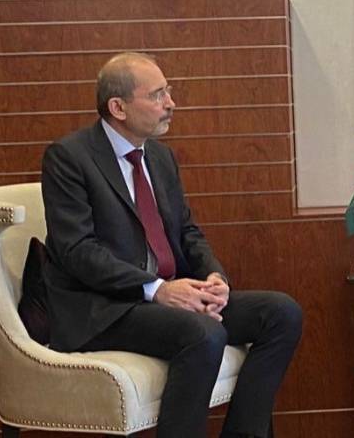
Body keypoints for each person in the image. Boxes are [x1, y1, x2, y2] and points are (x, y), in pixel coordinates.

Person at [41, 52, 302, 438]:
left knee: (281, 313)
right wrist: (158, 289)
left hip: (167, 296)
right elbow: (78, 251)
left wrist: (214, 278)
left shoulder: (160, 157)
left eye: (169, 91)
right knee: (204, 333)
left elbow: (187, 232)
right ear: (118, 107)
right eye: (157, 95)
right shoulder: (69, 158)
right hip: (106, 307)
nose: (171, 103)